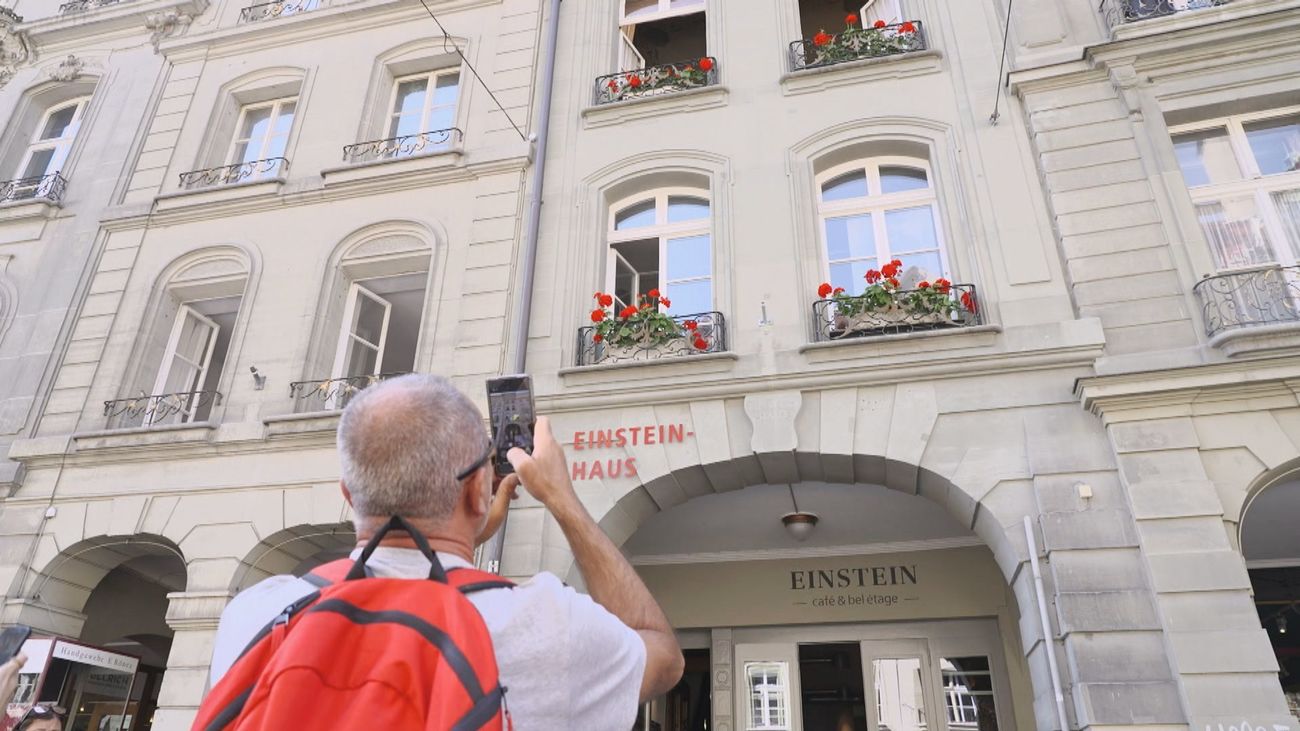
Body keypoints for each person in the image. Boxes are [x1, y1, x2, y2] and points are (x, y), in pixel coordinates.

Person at [208, 374, 684, 729]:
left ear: (349, 495)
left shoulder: (256, 613)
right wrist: (561, 498)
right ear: (480, 490)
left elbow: (406, 576)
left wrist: (461, 532)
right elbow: (663, 656)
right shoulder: (546, 623)